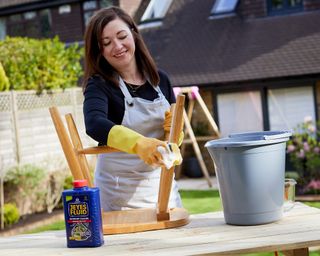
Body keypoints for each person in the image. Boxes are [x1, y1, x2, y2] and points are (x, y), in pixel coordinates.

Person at [82, 6, 183, 212]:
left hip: (164, 191)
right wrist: (139, 144)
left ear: (134, 34)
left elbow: (171, 139)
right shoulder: (99, 85)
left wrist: (176, 132)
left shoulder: (160, 79)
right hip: (119, 197)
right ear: (99, 51)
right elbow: (94, 124)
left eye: (121, 36)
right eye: (106, 43)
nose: (117, 46)